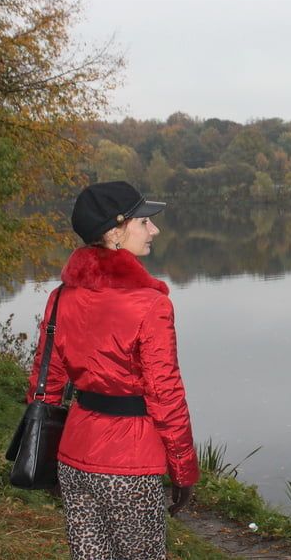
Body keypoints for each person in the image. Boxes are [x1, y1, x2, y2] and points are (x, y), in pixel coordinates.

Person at [26, 180, 199, 560]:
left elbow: (45, 383)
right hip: (130, 466)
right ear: (114, 232)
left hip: (73, 457)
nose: (154, 229)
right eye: (144, 222)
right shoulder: (150, 305)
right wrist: (184, 471)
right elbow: (165, 395)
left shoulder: (61, 297)